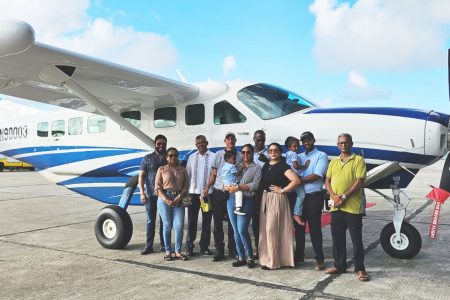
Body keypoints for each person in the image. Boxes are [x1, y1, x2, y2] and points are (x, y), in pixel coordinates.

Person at [324, 133, 369, 282]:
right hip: (336, 207)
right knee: (337, 239)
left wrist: (343, 196)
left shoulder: (358, 160)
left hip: (352, 208)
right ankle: (339, 265)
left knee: (357, 240)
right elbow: (327, 181)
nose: (343, 145)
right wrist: (334, 196)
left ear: (351, 144)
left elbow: (359, 181)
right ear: (338, 145)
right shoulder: (333, 162)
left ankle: (360, 269)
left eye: (346, 143)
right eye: (341, 143)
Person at [258, 142, 301, 270]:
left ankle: (276, 260)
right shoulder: (266, 165)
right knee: (265, 230)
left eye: (275, 150)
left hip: (277, 199)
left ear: (280, 152)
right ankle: (267, 258)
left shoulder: (283, 166)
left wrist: (282, 190)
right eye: (270, 150)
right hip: (265, 199)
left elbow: (296, 181)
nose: (273, 152)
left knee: (272, 229)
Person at [294, 131, 329, 270]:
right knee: (299, 228)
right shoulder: (299, 156)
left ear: (313, 140)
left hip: (314, 196)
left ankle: (319, 258)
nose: (306, 143)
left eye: (308, 140)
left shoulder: (321, 155)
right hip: (299, 197)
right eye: (304, 141)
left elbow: (317, 175)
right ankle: (299, 256)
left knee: (314, 228)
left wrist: (297, 180)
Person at [224, 144, 262, 268]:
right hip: (231, 199)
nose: (246, 155)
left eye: (249, 152)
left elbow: (255, 185)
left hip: (247, 199)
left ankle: (250, 256)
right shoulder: (235, 166)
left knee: (242, 229)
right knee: (235, 230)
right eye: (244, 152)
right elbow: (225, 178)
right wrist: (225, 186)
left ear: (252, 153)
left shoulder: (257, 168)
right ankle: (241, 256)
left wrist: (239, 187)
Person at [206, 132, 240, 261]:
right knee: (217, 223)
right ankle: (219, 250)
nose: (230, 141)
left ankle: (233, 249)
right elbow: (214, 173)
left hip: (232, 192)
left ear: (235, 141)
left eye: (232, 139)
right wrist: (207, 188)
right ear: (225, 141)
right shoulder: (218, 154)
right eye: (228, 139)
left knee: (233, 223)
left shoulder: (240, 156)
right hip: (219, 191)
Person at [155, 147, 190, 261]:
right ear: (167, 157)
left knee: (179, 226)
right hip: (164, 198)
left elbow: (186, 187)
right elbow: (158, 188)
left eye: (175, 155)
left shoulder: (183, 170)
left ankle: (178, 251)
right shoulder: (161, 169)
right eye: (170, 155)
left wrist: (178, 198)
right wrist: (167, 200)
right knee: (167, 225)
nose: (173, 157)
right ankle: (168, 251)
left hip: (179, 199)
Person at [185, 135, 214, 256]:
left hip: (207, 195)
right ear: (196, 145)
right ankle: (189, 246)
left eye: (203, 142)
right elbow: (187, 175)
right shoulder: (191, 157)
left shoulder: (213, 156)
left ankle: (204, 246)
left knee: (206, 221)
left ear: (207, 143)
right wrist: (185, 194)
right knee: (191, 221)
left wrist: (208, 189)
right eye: (198, 143)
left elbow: (215, 174)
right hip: (192, 194)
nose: (201, 144)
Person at [138, 134, 167, 255]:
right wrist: (142, 193)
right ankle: (149, 245)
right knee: (150, 220)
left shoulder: (169, 158)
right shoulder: (147, 158)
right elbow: (141, 176)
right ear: (155, 144)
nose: (161, 146)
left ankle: (164, 245)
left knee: (164, 221)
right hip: (150, 195)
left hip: (164, 195)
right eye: (159, 143)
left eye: (163, 143)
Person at [284, 136, 309, 226]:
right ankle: (297, 214)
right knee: (302, 195)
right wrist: (305, 165)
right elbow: (296, 166)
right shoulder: (293, 154)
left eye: (298, 146)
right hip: (294, 178)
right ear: (289, 147)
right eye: (294, 146)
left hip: (288, 178)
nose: (297, 148)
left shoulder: (287, 153)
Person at [251, 130, 268, 258]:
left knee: (267, 223)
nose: (260, 142)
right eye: (258, 140)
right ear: (254, 139)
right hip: (251, 192)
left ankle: (267, 249)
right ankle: (258, 248)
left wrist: (266, 160)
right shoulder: (248, 153)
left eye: (262, 140)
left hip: (265, 192)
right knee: (255, 223)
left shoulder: (269, 153)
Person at [220, 151, 245, 215]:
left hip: (226, 185)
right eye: (233, 159)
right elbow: (237, 174)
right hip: (232, 184)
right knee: (239, 192)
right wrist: (241, 169)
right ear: (228, 159)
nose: (235, 161)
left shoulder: (224, 166)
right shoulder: (231, 166)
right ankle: (238, 208)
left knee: (233, 196)